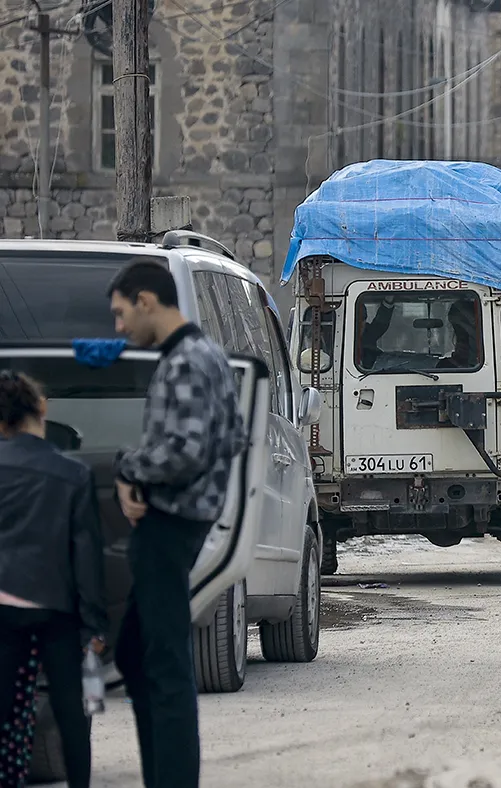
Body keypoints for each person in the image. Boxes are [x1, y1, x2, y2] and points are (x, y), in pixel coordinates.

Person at [107, 261, 245, 788]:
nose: (119, 328)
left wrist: (128, 467)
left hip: (169, 527)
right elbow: (229, 438)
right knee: (138, 658)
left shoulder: (186, 360)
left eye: (121, 314)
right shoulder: (206, 355)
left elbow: (185, 452)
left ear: (146, 300)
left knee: (164, 667)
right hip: (183, 520)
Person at [0, 371, 106, 788]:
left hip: (3, 610)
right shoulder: (72, 474)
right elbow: (87, 557)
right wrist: (94, 624)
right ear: (42, 409)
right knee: (69, 711)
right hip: (56, 610)